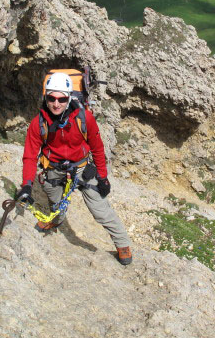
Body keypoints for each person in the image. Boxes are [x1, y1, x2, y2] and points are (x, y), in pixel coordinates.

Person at [16, 72, 133, 265]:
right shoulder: (38, 123)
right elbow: (30, 156)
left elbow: (97, 147)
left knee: (101, 210)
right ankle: (56, 219)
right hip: (53, 169)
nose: (56, 104)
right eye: (51, 98)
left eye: (61, 99)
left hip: (81, 168)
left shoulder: (84, 118)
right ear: (46, 97)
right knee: (56, 203)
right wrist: (27, 185)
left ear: (69, 98)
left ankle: (122, 244)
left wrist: (103, 178)